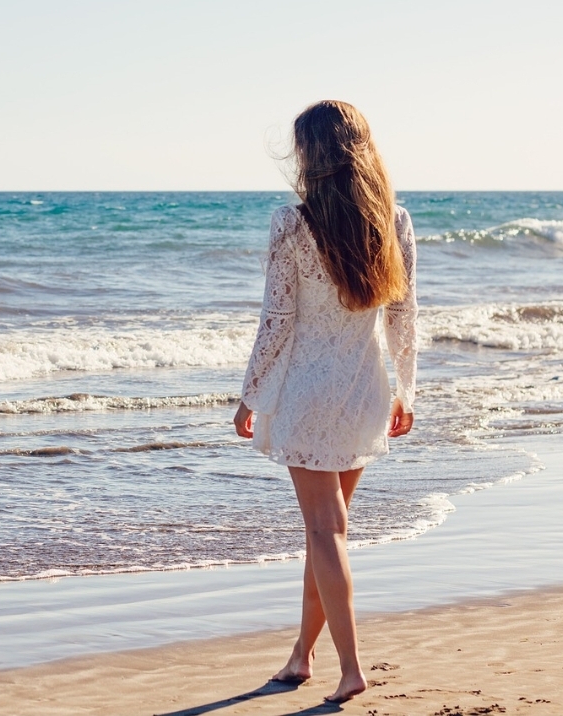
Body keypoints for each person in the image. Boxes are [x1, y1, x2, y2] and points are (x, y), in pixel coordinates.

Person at [233, 100, 417, 704]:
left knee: (324, 530)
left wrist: (249, 394)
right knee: (328, 534)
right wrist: (406, 389)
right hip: (365, 391)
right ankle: (301, 656)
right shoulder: (394, 221)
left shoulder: (292, 224)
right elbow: (403, 317)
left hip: (307, 394)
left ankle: (351, 668)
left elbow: (277, 320)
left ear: (311, 153)